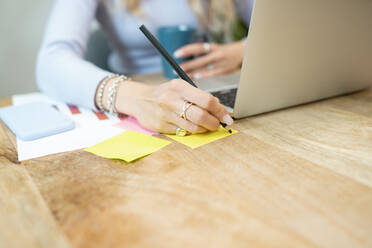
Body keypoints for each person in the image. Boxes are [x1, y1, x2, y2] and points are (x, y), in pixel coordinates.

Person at [37, 0, 254, 134]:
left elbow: (279, 23)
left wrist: (243, 50)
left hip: (207, 88)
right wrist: (137, 98)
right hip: (137, 99)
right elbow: (51, 61)